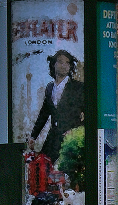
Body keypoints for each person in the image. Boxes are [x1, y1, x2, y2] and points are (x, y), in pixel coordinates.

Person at [29, 49, 83, 186]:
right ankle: (47, 193)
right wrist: (33, 136)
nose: (64, 65)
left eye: (67, 63)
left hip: (71, 136)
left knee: (71, 169)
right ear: (53, 64)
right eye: (60, 62)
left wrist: (75, 130)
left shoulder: (77, 87)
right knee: (42, 165)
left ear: (70, 66)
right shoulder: (49, 88)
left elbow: (89, 112)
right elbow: (44, 113)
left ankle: (70, 193)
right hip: (54, 134)